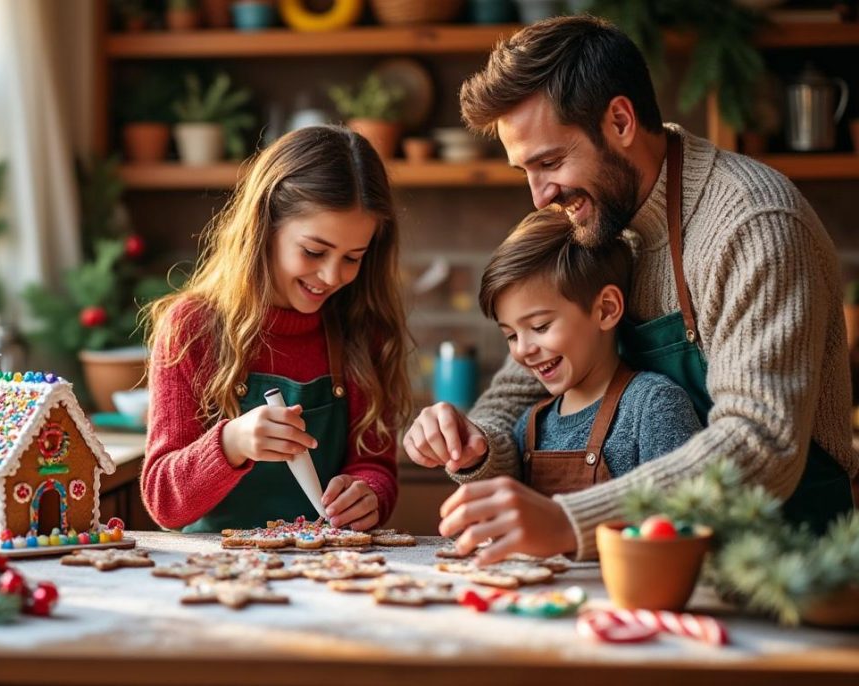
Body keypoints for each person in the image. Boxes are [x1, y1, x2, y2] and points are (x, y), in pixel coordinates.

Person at [404, 15, 857, 563]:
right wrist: (473, 441)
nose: (539, 195)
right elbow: (515, 396)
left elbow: (759, 444)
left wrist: (574, 520)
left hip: (784, 572)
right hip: (648, 566)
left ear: (619, 120)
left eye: (550, 162)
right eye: (525, 170)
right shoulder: (593, 219)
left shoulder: (753, 224)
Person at [142, 125, 411, 533]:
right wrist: (230, 443)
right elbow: (164, 502)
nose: (331, 275)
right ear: (265, 227)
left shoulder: (360, 331)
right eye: (314, 251)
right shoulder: (192, 328)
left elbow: (374, 464)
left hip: (327, 576)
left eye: (353, 257)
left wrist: (368, 492)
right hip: (216, 578)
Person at [481, 207, 701, 500]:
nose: (522, 350)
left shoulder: (653, 406)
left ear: (607, 309)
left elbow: (687, 518)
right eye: (510, 335)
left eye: (540, 326)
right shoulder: (529, 426)